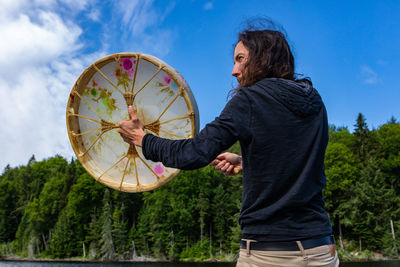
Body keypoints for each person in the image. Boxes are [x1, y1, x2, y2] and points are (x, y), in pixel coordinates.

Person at [118, 19, 339, 267]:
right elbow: (297, 159)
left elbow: (193, 153)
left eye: (240, 59)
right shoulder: (315, 101)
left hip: (270, 253)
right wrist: (247, 162)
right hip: (322, 249)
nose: (234, 70)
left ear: (263, 58)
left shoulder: (250, 99)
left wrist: (142, 139)